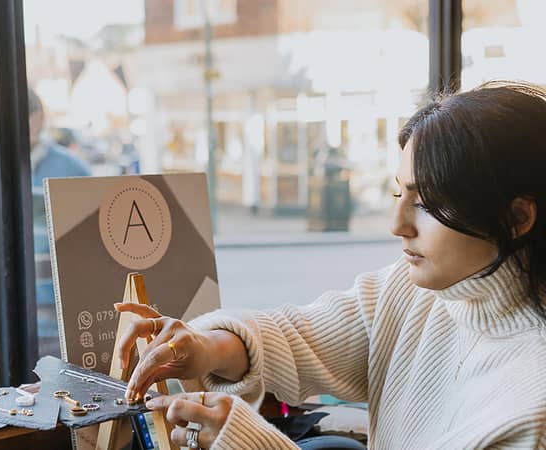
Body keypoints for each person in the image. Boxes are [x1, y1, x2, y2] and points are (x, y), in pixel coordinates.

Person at [115, 81, 546, 449]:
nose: (397, 225)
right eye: (400, 195)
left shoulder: (533, 412)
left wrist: (248, 440)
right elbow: (298, 336)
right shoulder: (415, 290)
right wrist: (205, 346)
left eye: (429, 204)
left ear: (517, 218)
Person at [0, 88, 91, 360]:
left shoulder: (71, 169)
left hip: (61, 319)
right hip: (13, 314)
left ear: (38, 119)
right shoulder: (1, 167)